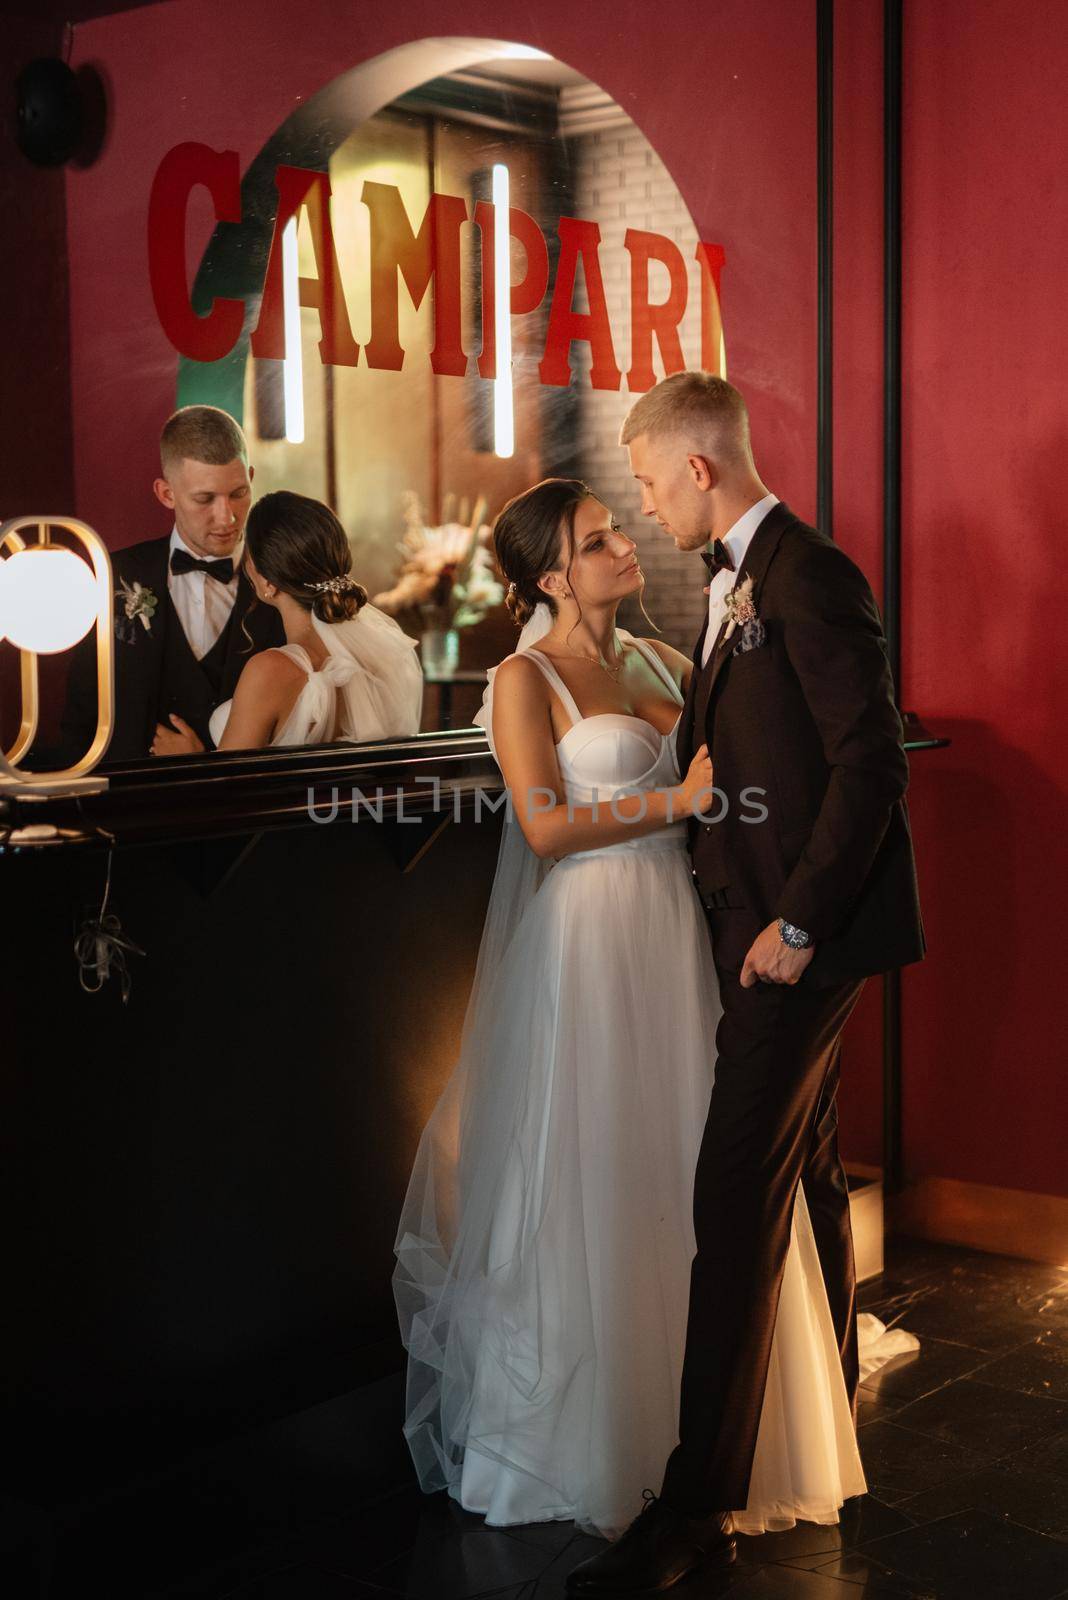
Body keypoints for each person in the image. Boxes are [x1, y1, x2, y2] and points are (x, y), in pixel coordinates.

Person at [393, 477, 913, 1546]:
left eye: (621, 528)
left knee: (689, 1169)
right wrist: (671, 802)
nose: (625, 544)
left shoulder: (659, 658)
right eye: (597, 540)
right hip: (587, 940)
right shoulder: (521, 678)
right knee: (591, 1166)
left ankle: (690, 1427)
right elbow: (541, 827)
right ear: (550, 573)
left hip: (678, 929)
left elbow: (747, 761)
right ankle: (583, 1433)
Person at [567, 373, 925, 1595]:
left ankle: (693, 1507)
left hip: (791, 942)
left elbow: (872, 770)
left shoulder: (808, 574)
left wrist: (795, 924)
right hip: (748, 928)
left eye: (656, 483)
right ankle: (833, 1409)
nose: (650, 509)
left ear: (701, 469)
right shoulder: (735, 583)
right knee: (811, 1179)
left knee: (733, 1205)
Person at [60, 405, 285, 764]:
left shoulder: (283, 579)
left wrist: (208, 761)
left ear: (252, 477)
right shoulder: (112, 575)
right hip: (130, 802)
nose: (227, 516)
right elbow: (81, 715)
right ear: (166, 494)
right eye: (205, 498)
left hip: (248, 806)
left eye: (239, 492)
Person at [156, 491, 423, 752]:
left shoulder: (269, 671)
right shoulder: (380, 657)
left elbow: (227, 788)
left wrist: (190, 758)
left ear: (267, 583)